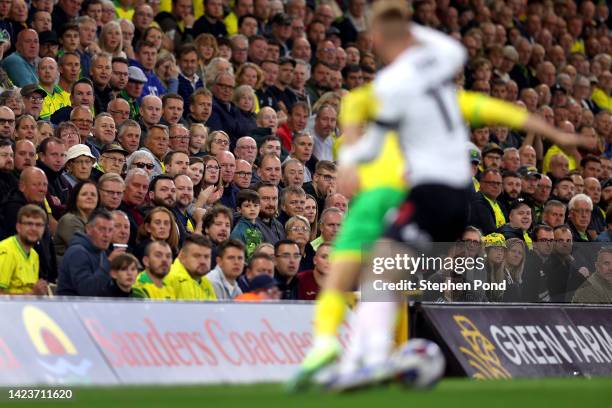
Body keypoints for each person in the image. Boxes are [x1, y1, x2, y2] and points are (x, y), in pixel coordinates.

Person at [56, 209, 125, 296]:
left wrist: (124, 285)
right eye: (102, 229)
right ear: (88, 229)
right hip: (70, 307)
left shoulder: (101, 252)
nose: (106, 235)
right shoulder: (77, 253)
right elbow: (87, 291)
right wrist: (109, 263)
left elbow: (104, 291)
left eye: (110, 230)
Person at [0, 205, 49, 295]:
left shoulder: (34, 255)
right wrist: (33, 294)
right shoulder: (6, 251)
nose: (34, 228)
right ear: (18, 227)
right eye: (29, 224)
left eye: (38, 225)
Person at [54, 181, 99, 265]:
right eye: (84, 194)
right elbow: (84, 251)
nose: (89, 197)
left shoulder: (95, 221)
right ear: (75, 198)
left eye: (93, 195)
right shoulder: (69, 220)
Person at [164, 233, 217, 300]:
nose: (203, 261)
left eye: (206, 257)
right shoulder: (168, 277)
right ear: (182, 257)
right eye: (197, 256)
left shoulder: (206, 283)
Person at [229, 189, 264, 258]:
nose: (252, 209)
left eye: (255, 205)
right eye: (247, 206)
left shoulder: (257, 228)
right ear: (239, 209)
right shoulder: (238, 232)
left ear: (260, 207)